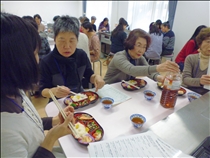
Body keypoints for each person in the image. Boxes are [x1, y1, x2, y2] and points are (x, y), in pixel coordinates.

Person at [1, 12, 75, 157]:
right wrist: (51, 138)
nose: (38, 60)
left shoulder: (14, 89)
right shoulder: (4, 133)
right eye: (35, 54)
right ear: (15, 62)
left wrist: (54, 121)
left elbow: (28, 124)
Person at [39, 15, 105, 100]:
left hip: (78, 97)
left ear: (77, 40)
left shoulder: (81, 55)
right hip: (58, 101)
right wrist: (54, 91)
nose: (67, 46)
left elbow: (89, 75)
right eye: (62, 40)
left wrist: (96, 77)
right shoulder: (46, 61)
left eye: (71, 40)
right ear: (55, 39)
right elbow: (43, 91)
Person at [103, 28, 180, 84]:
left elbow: (148, 71)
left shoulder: (140, 58)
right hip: (109, 88)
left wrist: (160, 78)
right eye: (139, 45)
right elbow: (132, 70)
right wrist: (158, 67)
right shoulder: (119, 57)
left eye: (144, 47)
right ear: (130, 43)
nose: (141, 50)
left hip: (124, 88)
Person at [182, 27, 210, 95]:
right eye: (208, 42)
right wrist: (200, 81)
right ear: (200, 43)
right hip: (189, 92)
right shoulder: (191, 58)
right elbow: (185, 79)